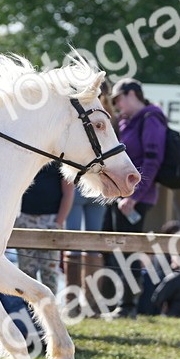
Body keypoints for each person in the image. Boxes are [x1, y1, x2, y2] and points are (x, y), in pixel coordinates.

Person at [103, 78, 167, 317]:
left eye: (118, 99)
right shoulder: (127, 121)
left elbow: (152, 161)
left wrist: (134, 197)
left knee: (128, 250)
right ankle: (116, 303)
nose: (116, 105)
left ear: (132, 94)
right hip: (120, 196)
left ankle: (128, 306)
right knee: (112, 247)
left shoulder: (151, 118)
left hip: (135, 199)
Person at [63, 77, 113, 315]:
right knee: (89, 243)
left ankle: (78, 304)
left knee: (81, 243)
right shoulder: (111, 119)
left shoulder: (83, 115)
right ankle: (87, 305)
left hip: (83, 184)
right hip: (90, 184)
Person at [15, 161, 74, 295]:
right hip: (25, 219)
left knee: (49, 271)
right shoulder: (27, 159)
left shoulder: (60, 162)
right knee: (25, 270)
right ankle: (26, 307)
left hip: (51, 220)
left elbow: (68, 193)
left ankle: (50, 305)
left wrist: (58, 222)